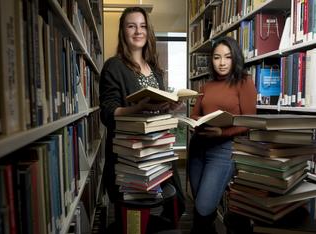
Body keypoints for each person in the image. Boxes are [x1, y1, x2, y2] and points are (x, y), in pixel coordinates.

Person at [99, 6, 185, 232]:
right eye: (131, 26)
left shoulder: (156, 71)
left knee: (174, 203)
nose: (138, 31)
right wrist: (136, 108)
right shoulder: (114, 66)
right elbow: (107, 113)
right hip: (130, 157)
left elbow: (159, 111)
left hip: (157, 151)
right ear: (123, 32)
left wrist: (172, 107)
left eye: (143, 26)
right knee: (132, 219)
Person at [188, 36, 257, 234]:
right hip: (198, 147)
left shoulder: (244, 82)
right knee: (200, 207)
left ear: (235, 58)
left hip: (224, 150)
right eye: (217, 57)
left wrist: (222, 131)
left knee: (204, 206)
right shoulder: (206, 86)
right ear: (212, 60)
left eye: (227, 57)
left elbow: (249, 121)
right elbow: (195, 113)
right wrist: (194, 122)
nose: (222, 62)